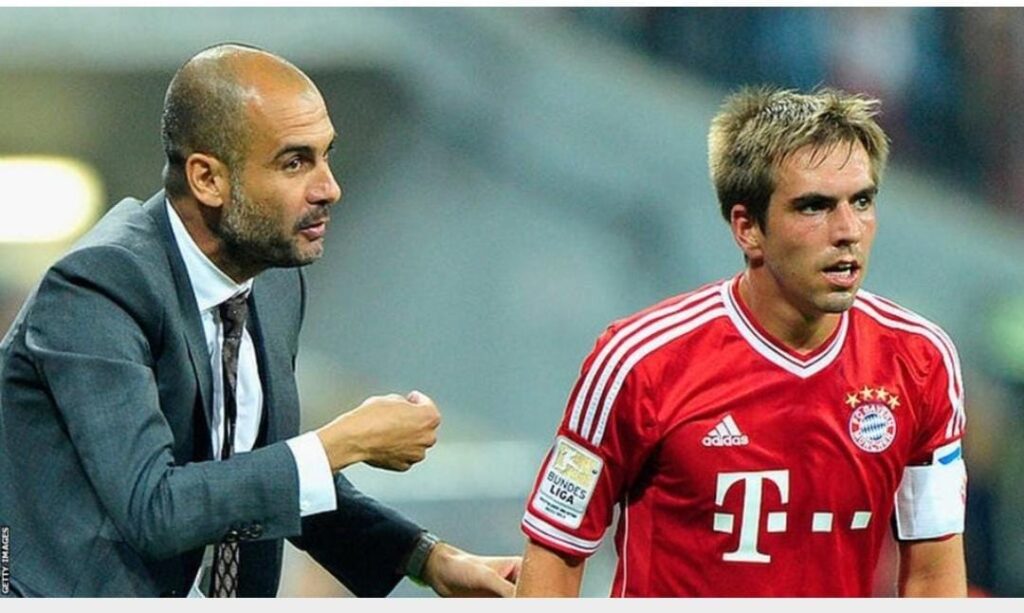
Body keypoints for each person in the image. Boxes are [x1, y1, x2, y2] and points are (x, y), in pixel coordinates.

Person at [0, 43, 518, 597]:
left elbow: (262, 478)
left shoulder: (272, 281)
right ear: (207, 179)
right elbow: (155, 508)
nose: (329, 188)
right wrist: (343, 441)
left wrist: (427, 558)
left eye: (326, 155)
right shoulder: (98, 288)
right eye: (295, 163)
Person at [515, 86, 968, 597]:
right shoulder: (639, 361)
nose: (848, 230)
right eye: (814, 207)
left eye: (862, 201)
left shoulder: (920, 360)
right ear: (748, 228)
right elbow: (555, 551)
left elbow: (934, 573)